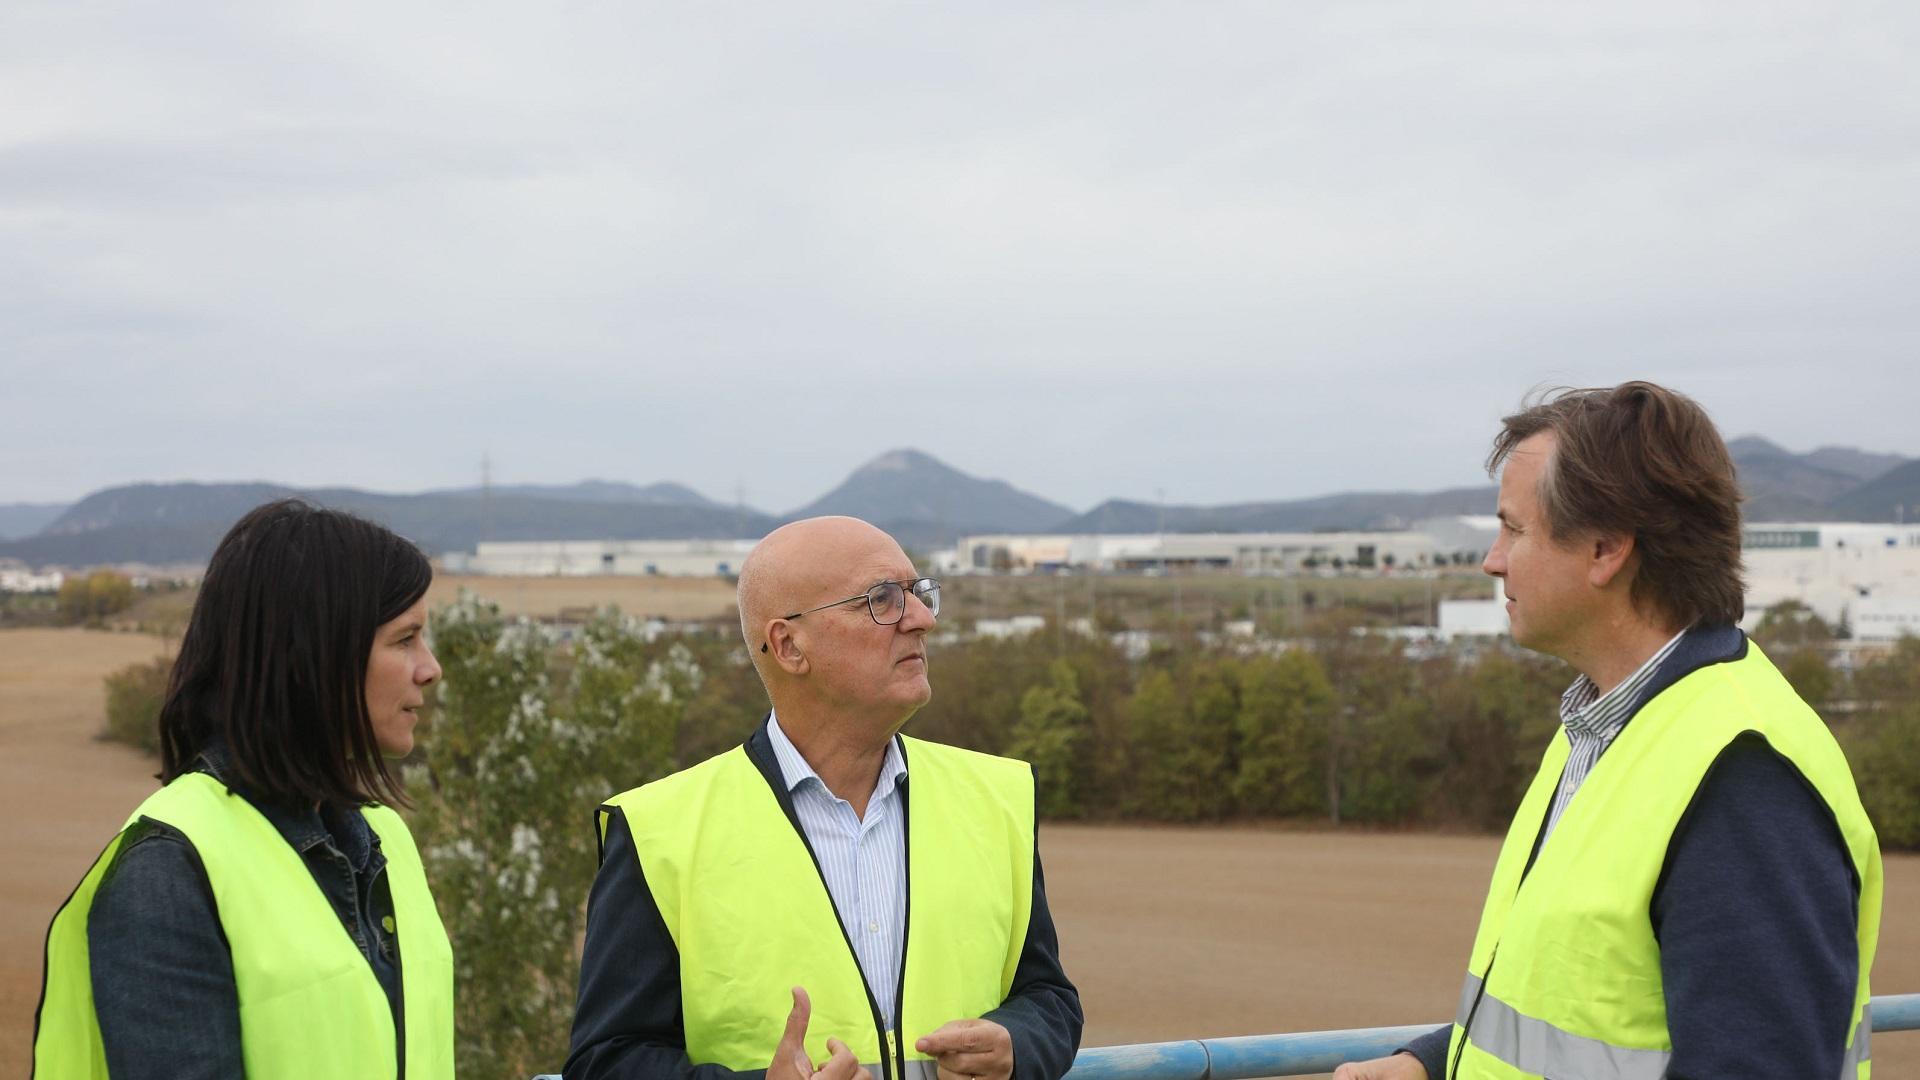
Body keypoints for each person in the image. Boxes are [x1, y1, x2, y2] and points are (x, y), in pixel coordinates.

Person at [1336, 382, 1881, 1080]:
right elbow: (1588, 1004)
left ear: (1605, 549)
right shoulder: (1603, 725)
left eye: (1515, 529)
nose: (1491, 559)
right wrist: (1433, 1063)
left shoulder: (1744, 774)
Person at [566, 515, 1082, 1080]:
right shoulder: (657, 832)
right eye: (881, 599)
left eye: (918, 593)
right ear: (788, 645)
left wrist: (1018, 1044)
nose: (923, 619)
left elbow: (1047, 996)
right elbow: (608, 1061)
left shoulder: (996, 798)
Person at [33, 499, 455, 1079]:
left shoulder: (385, 839)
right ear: (314, 656)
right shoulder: (171, 871)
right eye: (404, 639)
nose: (429, 668)